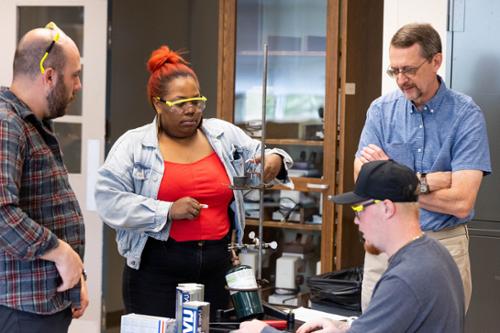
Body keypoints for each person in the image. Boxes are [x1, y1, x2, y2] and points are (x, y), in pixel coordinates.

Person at [94, 45, 293, 320]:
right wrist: (167, 211)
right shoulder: (134, 145)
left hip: (217, 268)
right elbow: (108, 200)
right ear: (157, 103)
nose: (191, 110)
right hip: (156, 272)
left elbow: (262, 155)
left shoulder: (223, 135)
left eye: (197, 101)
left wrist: (274, 159)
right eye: (179, 103)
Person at [235, 160, 464, 333]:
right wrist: (342, 328)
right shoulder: (433, 253)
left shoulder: (406, 278)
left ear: (386, 208)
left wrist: (262, 330)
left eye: (359, 209)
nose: (356, 220)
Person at [355, 23, 491, 311]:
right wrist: (429, 181)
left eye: (410, 70)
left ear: (436, 61)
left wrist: (391, 177)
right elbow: (362, 178)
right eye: (395, 71)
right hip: (385, 244)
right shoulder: (380, 111)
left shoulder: (466, 116)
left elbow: (462, 202)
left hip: (444, 243)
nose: (401, 79)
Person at [0, 22, 88, 332]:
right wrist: (63, 253)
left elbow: (50, 210)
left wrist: (77, 275)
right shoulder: (5, 124)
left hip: (45, 301)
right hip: (20, 309)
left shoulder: (32, 122)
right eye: (74, 75)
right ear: (49, 76)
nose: (77, 86)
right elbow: (2, 214)